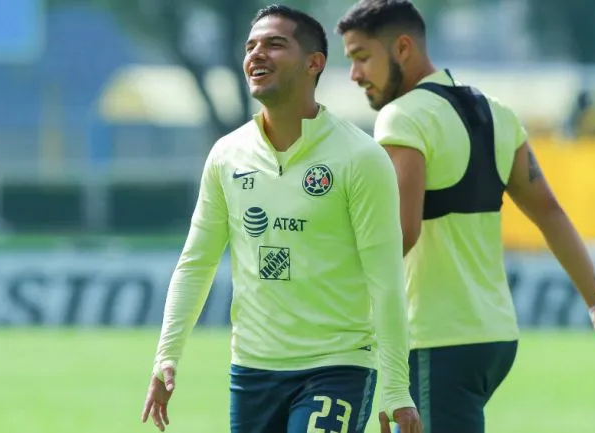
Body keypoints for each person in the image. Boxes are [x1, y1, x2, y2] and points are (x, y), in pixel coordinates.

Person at [336, 1, 595, 432]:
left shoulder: (402, 117)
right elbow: (549, 212)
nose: (354, 75)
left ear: (402, 48)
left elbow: (400, 234)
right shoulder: (496, 113)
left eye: (361, 57)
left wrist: (326, 285)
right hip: (493, 336)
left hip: (436, 337)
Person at [141, 4, 421, 433]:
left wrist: (397, 388)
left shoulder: (361, 158)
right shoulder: (227, 155)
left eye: (274, 44)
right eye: (250, 46)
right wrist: (166, 356)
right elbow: (196, 263)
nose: (257, 54)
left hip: (337, 365)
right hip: (252, 370)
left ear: (314, 63)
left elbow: (385, 279)